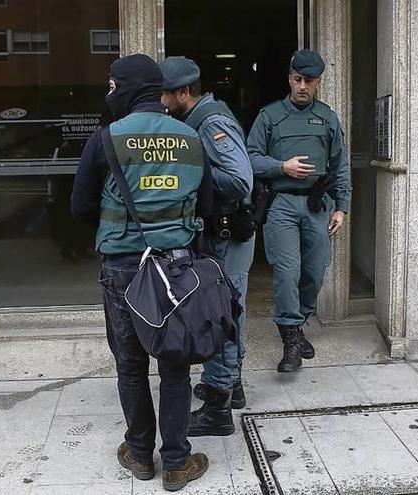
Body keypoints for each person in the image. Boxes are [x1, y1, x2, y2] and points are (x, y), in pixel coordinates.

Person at [71, 53, 213, 492]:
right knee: (174, 364)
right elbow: (207, 207)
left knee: (130, 365)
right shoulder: (190, 137)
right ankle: (175, 462)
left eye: (113, 86)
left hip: (123, 268)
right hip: (176, 268)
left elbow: (79, 207)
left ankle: (138, 453)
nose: (109, 93)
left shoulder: (106, 138)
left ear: (131, 88)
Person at [159, 56, 254, 437]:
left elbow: (240, 180)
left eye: (165, 94)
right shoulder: (198, 118)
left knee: (220, 314)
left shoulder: (211, 122)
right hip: (222, 233)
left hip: (226, 234)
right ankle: (233, 387)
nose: (162, 102)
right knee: (228, 309)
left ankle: (218, 406)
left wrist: (191, 172)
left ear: (184, 92)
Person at [246, 49, 352, 373]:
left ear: (319, 82)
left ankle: (299, 320)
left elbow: (341, 164)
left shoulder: (327, 117)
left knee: (315, 271)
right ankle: (290, 339)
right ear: (289, 78)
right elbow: (249, 158)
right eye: (297, 79)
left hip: (317, 205)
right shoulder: (270, 116)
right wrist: (281, 166)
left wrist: (342, 208)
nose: (302, 86)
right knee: (287, 272)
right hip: (280, 204)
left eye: (309, 81)